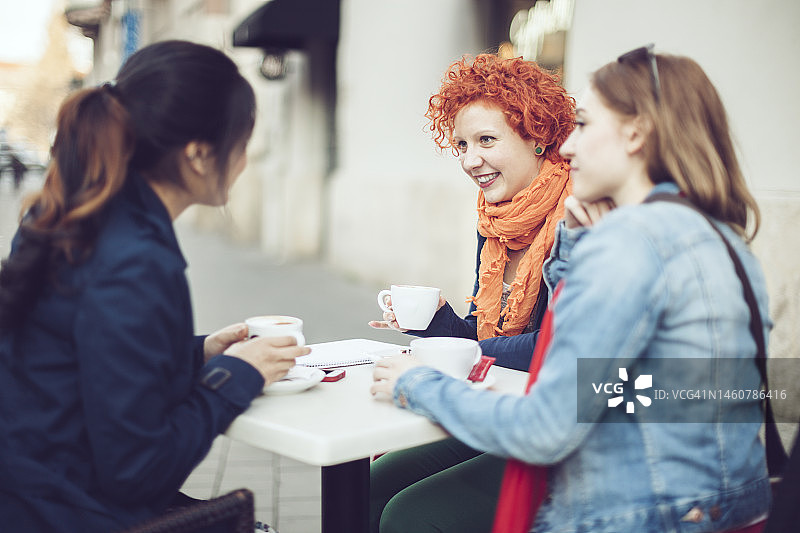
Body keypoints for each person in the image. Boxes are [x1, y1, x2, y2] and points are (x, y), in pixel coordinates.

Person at [372, 45, 772, 533]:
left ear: (636, 133)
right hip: (725, 495)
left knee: (412, 515)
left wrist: (417, 384)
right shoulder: (722, 235)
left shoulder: (629, 243)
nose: (567, 145)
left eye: (582, 125)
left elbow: (549, 422)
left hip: (648, 506)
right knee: (387, 479)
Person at [0, 40, 308, 533]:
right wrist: (236, 377)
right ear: (199, 154)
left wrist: (199, 353)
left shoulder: (72, 214)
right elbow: (138, 473)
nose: (245, 162)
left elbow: (81, 360)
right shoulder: (136, 261)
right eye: (242, 142)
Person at [369, 53, 574, 533]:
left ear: (538, 136)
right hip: (506, 400)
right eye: (461, 144)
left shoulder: (576, 221)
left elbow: (549, 345)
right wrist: (436, 324)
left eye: (487, 140)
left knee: (410, 517)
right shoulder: (496, 222)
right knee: (374, 481)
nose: (470, 159)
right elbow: (485, 338)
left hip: (560, 420)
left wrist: (459, 358)